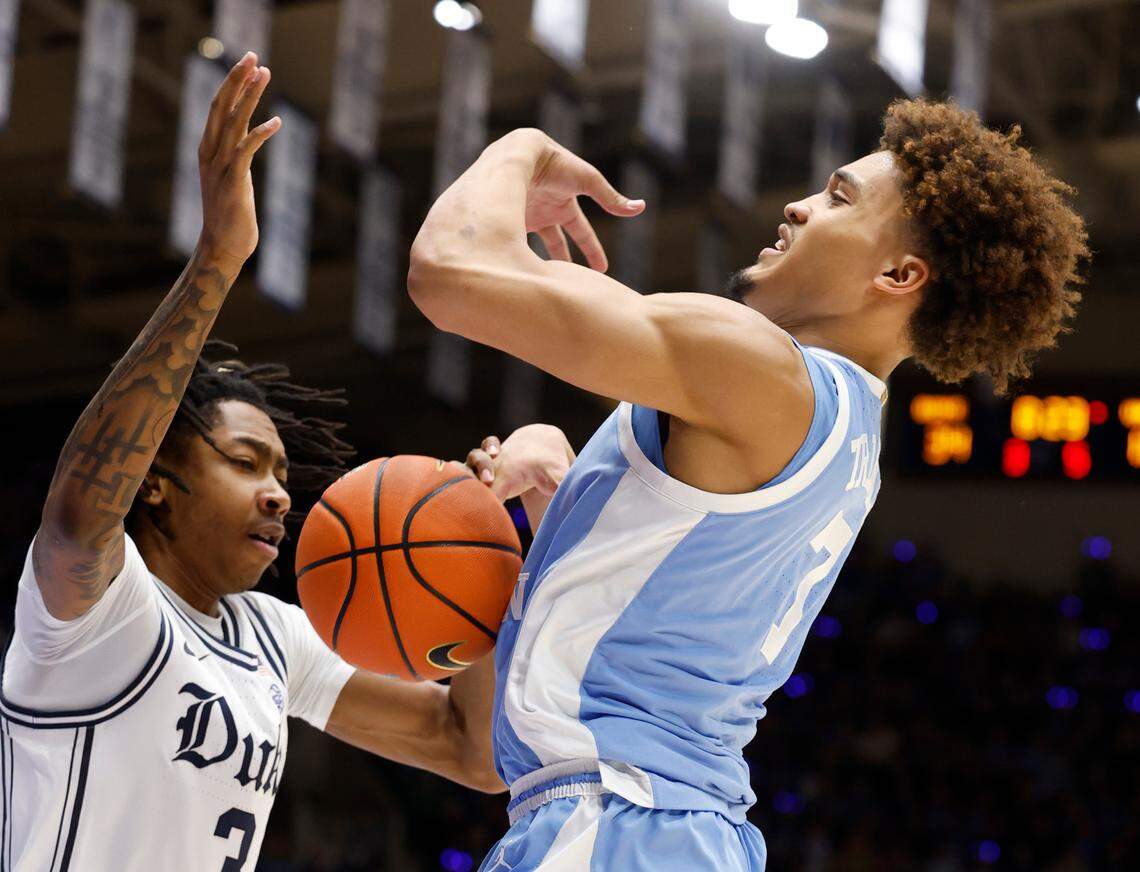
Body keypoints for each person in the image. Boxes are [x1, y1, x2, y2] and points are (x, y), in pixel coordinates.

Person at [407, 100, 1089, 870]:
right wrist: (559, 495)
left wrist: (521, 148)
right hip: (673, 832)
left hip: (620, 821)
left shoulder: (761, 369)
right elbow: (665, 602)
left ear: (898, 275)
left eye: (838, 199)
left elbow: (450, 275)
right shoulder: (848, 433)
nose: (798, 205)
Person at [1, 52, 573, 871]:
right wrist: (217, 260)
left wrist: (481, 561)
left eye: (279, 473)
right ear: (153, 480)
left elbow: (471, 752)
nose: (277, 494)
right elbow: (77, 512)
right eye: (245, 463)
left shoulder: (272, 637)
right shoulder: (95, 612)